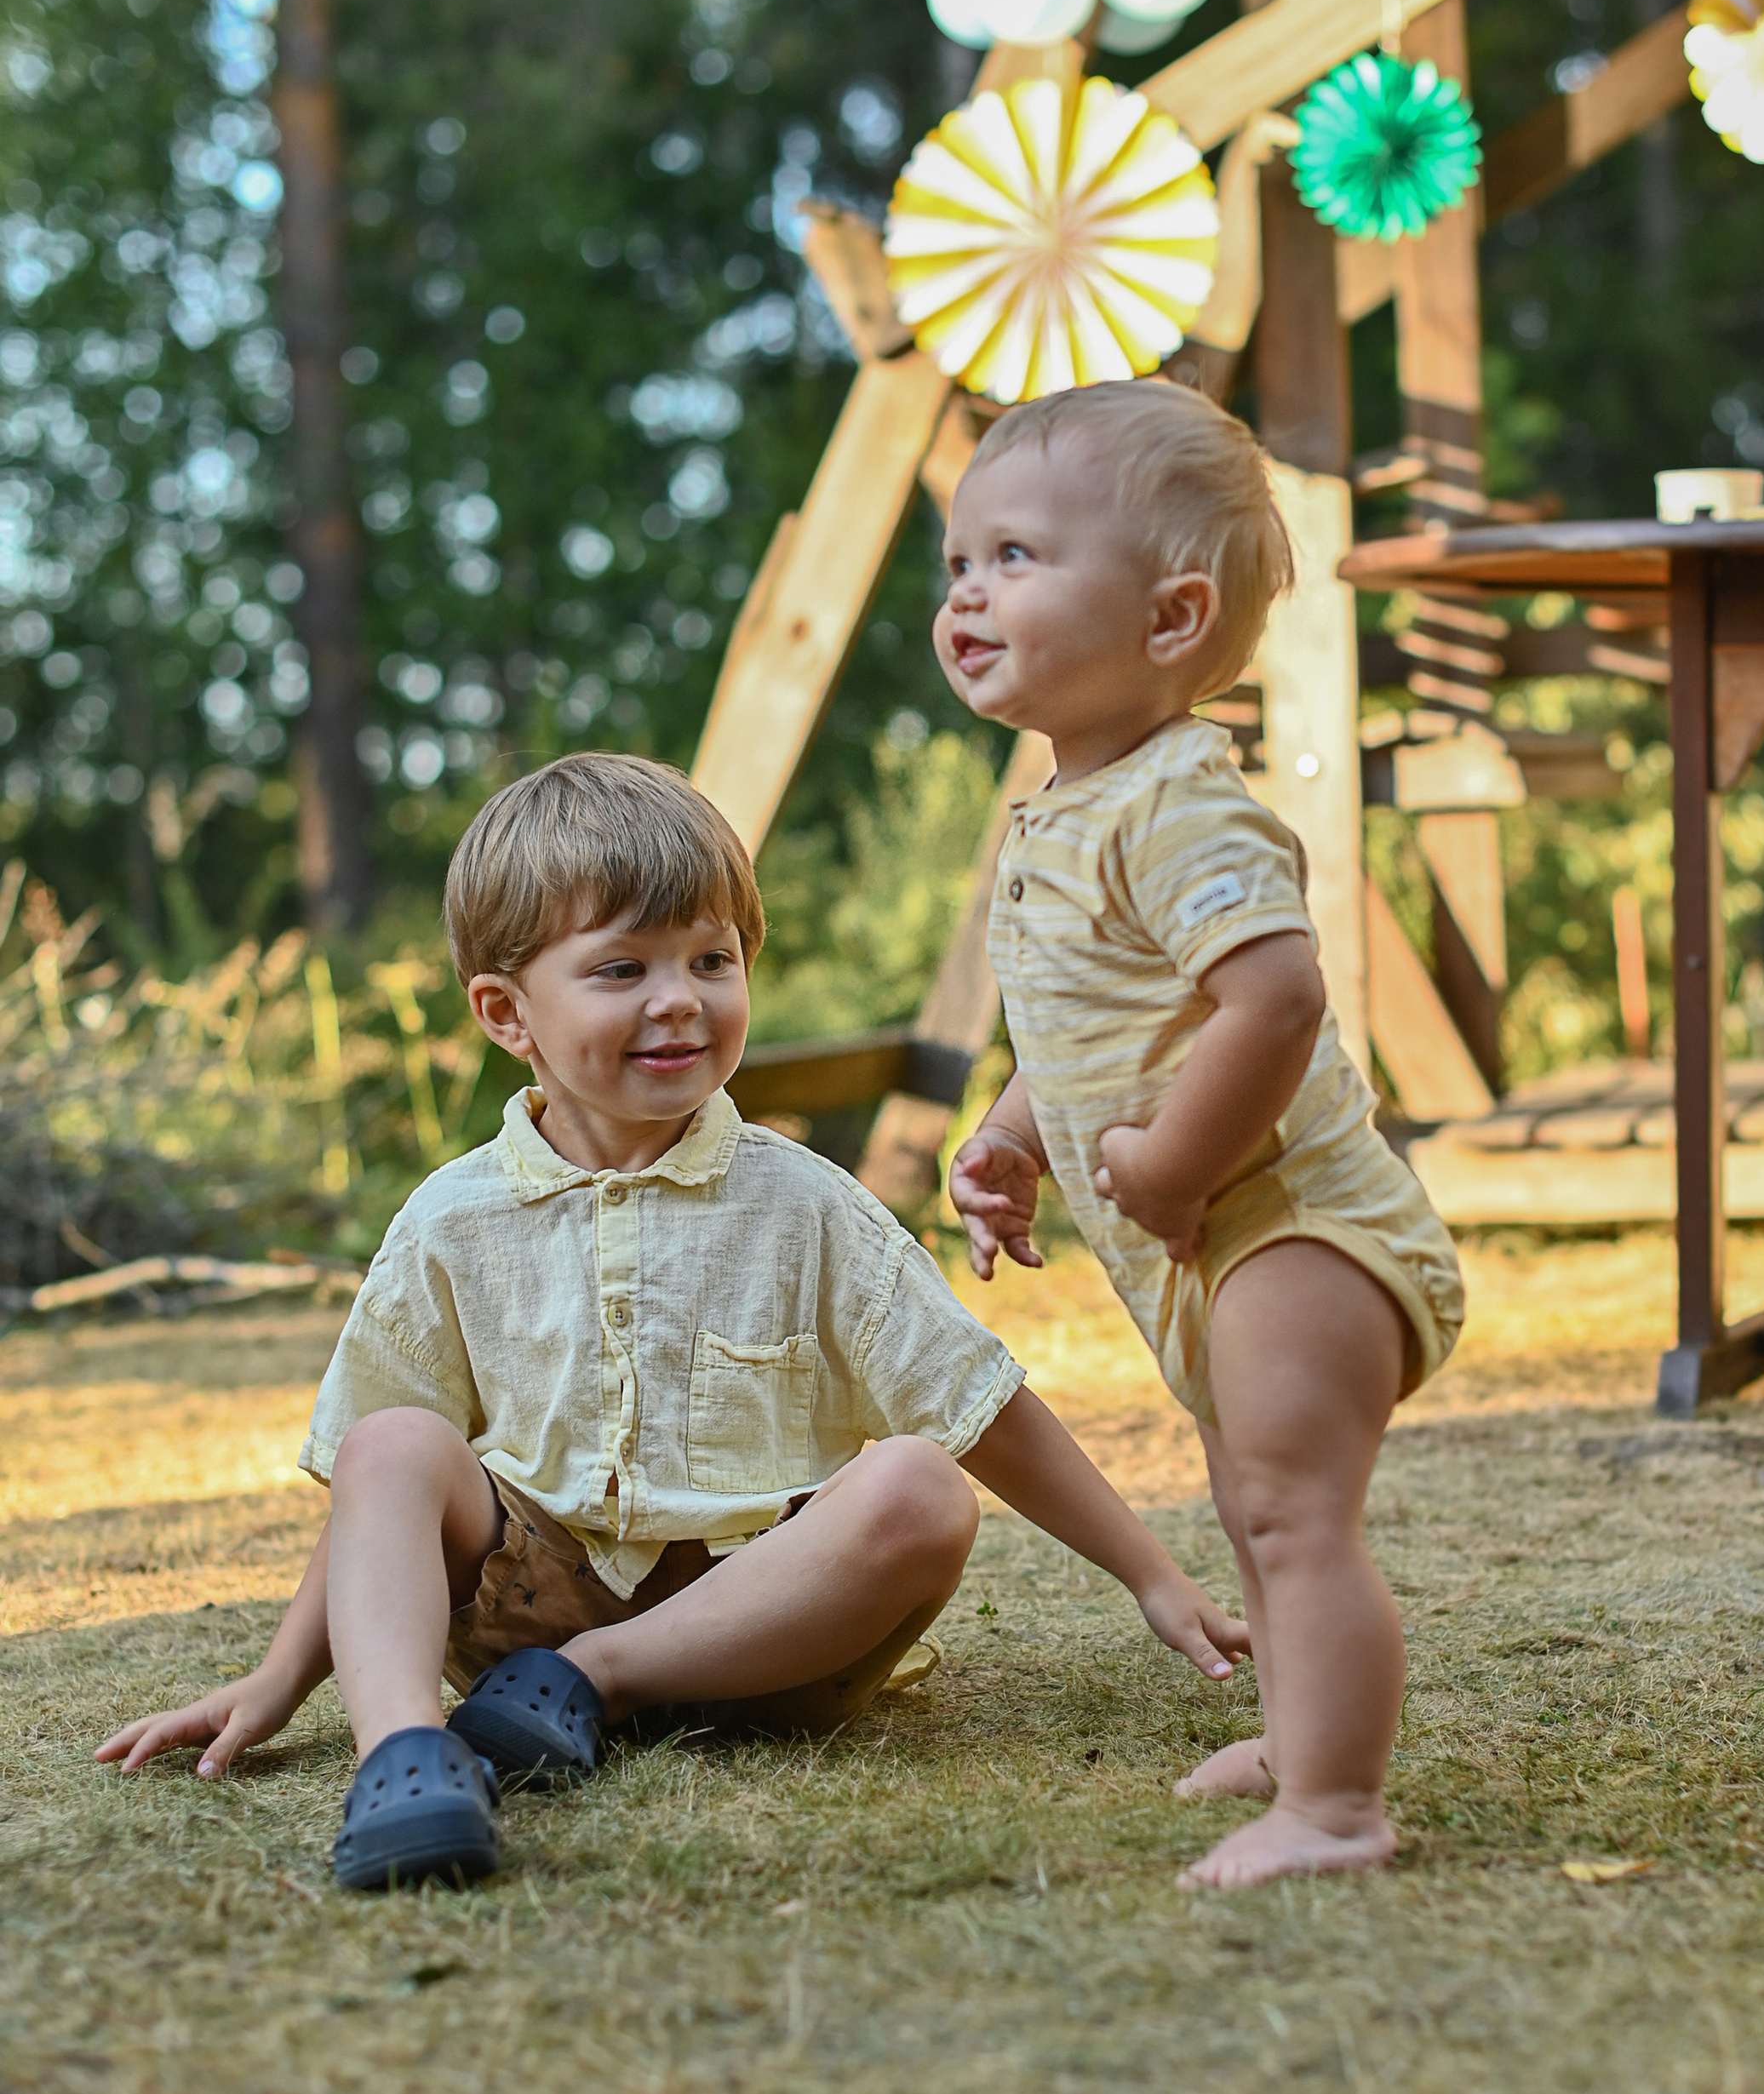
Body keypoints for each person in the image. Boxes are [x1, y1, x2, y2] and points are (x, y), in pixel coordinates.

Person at [96, 752, 1246, 1889]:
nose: (680, 998)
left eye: (712, 959)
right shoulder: (451, 1219)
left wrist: (1150, 1574)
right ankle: (403, 1762)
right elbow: (375, 1505)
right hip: (520, 1627)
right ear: (506, 1013)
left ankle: (602, 1677)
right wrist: (277, 1681)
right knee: (391, 1439)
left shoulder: (806, 1203)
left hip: (774, 1638)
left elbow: (976, 1403)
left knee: (923, 1485)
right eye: (620, 968)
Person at [939, 380, 1465, 1892]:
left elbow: (1276, 997)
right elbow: (1101, 1021)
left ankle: (1338, 1807)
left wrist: (1171, 1166)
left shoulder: (1179, 806)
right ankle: (1300, 1743)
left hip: (1298, 1223)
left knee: (1294, 1514)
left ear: (1172, 619)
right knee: (1248, 1504)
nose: (968, 593)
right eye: (960, 562)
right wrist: (1019, 1131)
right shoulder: (1071, 807)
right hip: (1214, 1242)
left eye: (1016, 557)